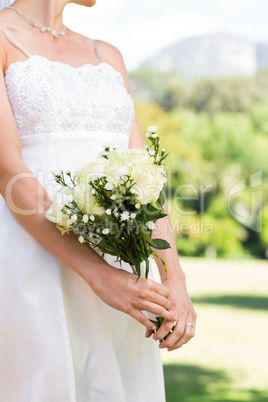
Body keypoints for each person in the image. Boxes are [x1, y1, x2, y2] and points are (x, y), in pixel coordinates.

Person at [0, 0, 197, 401]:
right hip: (34, 259)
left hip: (125, 271)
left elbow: (146, 177)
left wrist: (173, 275)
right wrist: (101, 277)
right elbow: (9, 172)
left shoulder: (107, 56)